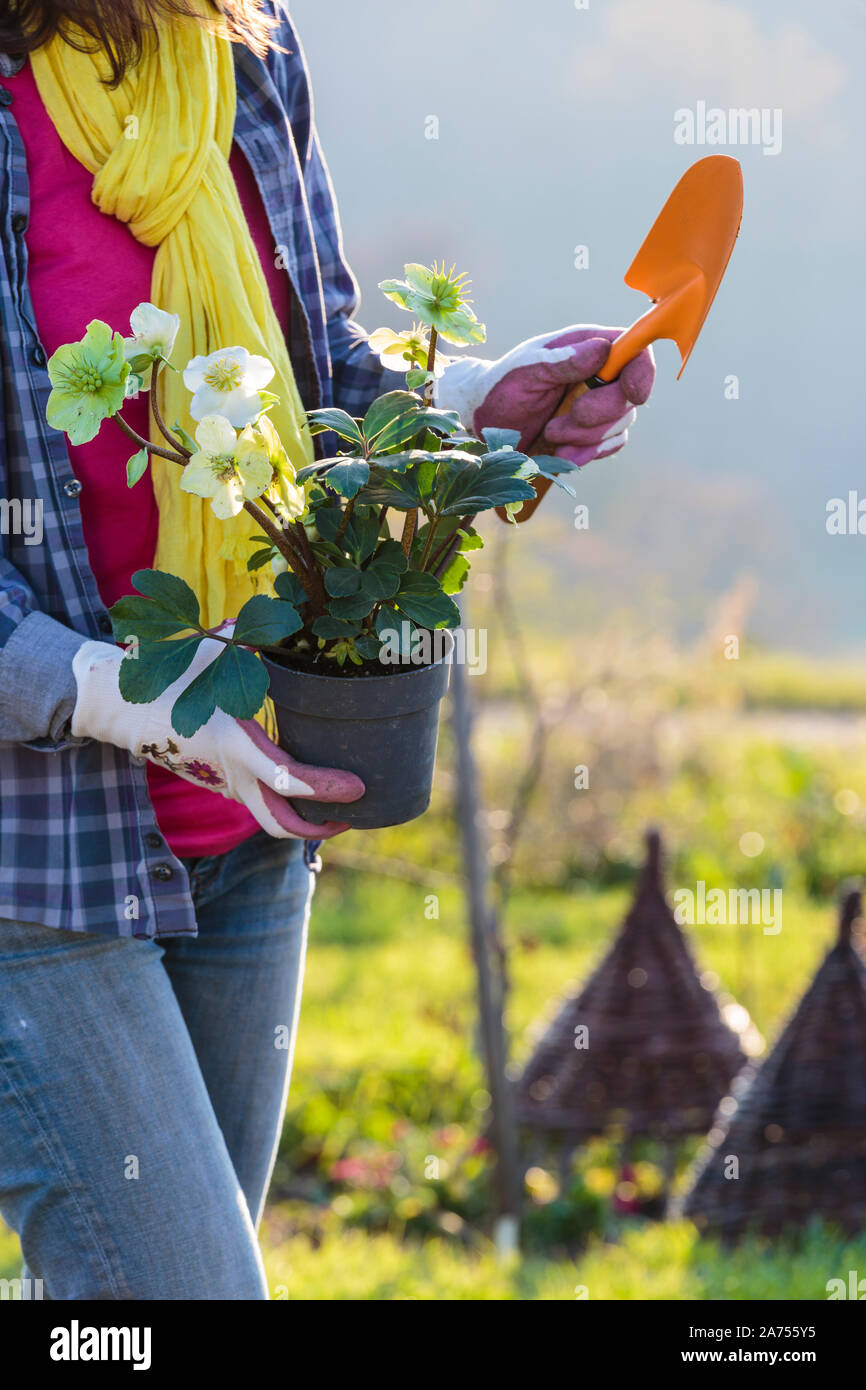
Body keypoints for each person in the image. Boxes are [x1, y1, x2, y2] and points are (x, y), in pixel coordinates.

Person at [0, 0, 655, 1299]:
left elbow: (310, 378)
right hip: (36, 860)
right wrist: (119, 696)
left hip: (242, 819)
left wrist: (470, 401)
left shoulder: (235, 44)